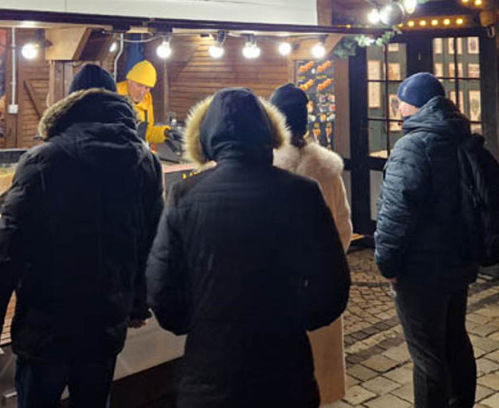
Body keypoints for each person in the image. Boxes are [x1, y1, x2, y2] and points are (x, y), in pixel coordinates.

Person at [146, 87, 350, 408]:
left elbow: (161, 290)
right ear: (269, 133)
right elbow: (333, 283)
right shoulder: (302, 193)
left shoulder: (184, 195)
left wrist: (194, 323)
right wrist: (299, 319)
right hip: (286, 368)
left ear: (205, 137)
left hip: (211, 369)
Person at [0, 64, 163, 408]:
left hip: (45, 325)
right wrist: (137, 304)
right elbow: (149, 242)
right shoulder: (145, 162)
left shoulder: (44, 159)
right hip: (106, 323)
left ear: (70, 104)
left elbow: (8, 247)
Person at [375, 73, 478, 408]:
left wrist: (387, 263)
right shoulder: (459, 136)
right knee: (455, 339)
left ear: (412, 104)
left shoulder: (412, 145)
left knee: (427, 353)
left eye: (401, 99)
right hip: (458, 258)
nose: (398, 106)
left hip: (420, 268)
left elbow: (396, 212)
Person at [271, 83, 353, 407]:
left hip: (277, 290)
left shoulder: (267, 167)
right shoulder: (326, 169)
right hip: (320, 285)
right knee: (317, 377)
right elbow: (344, 228)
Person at [117, 60, 174, 148]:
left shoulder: (147, 100)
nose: (142, 92)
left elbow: (147, 133)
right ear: (129, 80)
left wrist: (165, 132)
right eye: (139, 85)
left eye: (147, 88)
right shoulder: (112, 95)